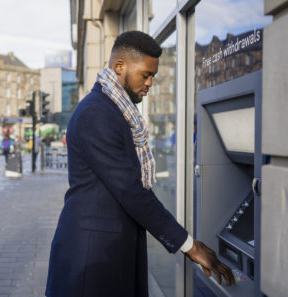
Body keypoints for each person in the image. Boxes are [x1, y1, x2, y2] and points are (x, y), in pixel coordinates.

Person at [45, 31, 234, 297]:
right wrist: (191, 246)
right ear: (119, 66)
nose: (150, 83)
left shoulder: (116, 111)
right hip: (91, 257)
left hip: (109, 249)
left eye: (153, 76)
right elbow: (131, 191)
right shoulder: (97, 113)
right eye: (145, 74)